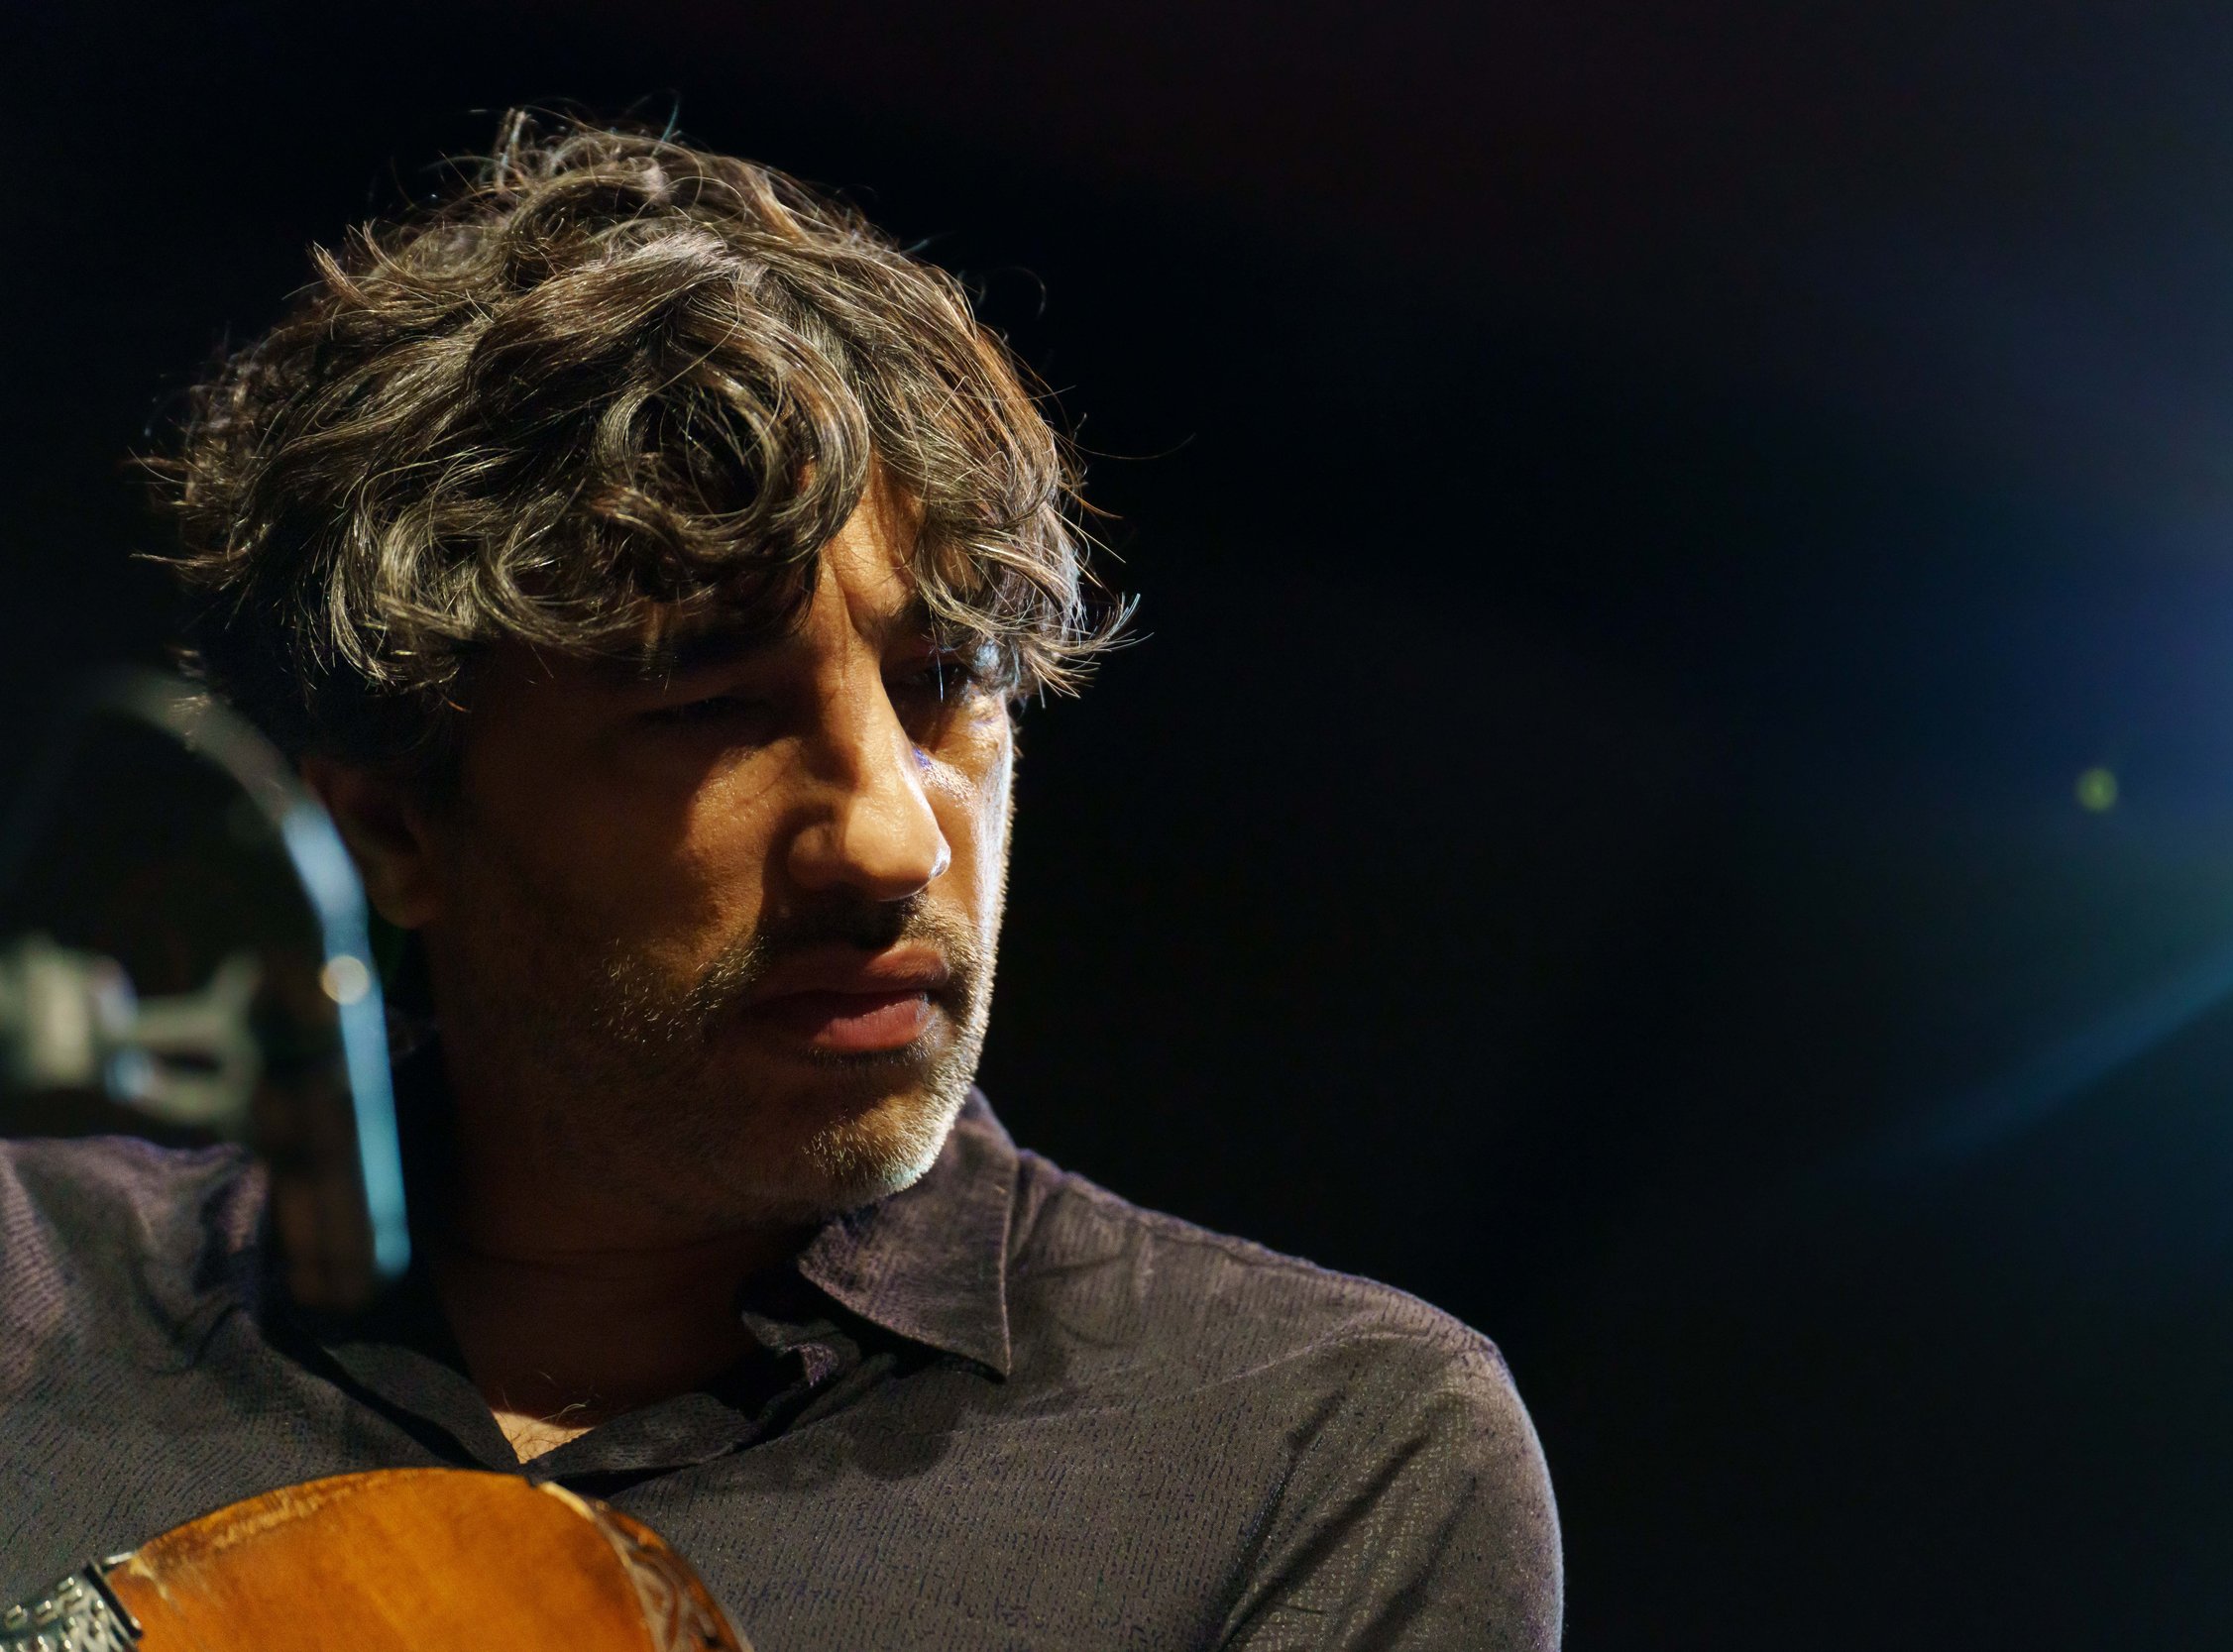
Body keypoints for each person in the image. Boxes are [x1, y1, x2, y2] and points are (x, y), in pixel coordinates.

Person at [0, 113, 1561, 1647]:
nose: (892, 837)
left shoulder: (1319, 1457)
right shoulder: (28, 1301)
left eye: (949, 679)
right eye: (710, 710)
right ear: (398, 830)